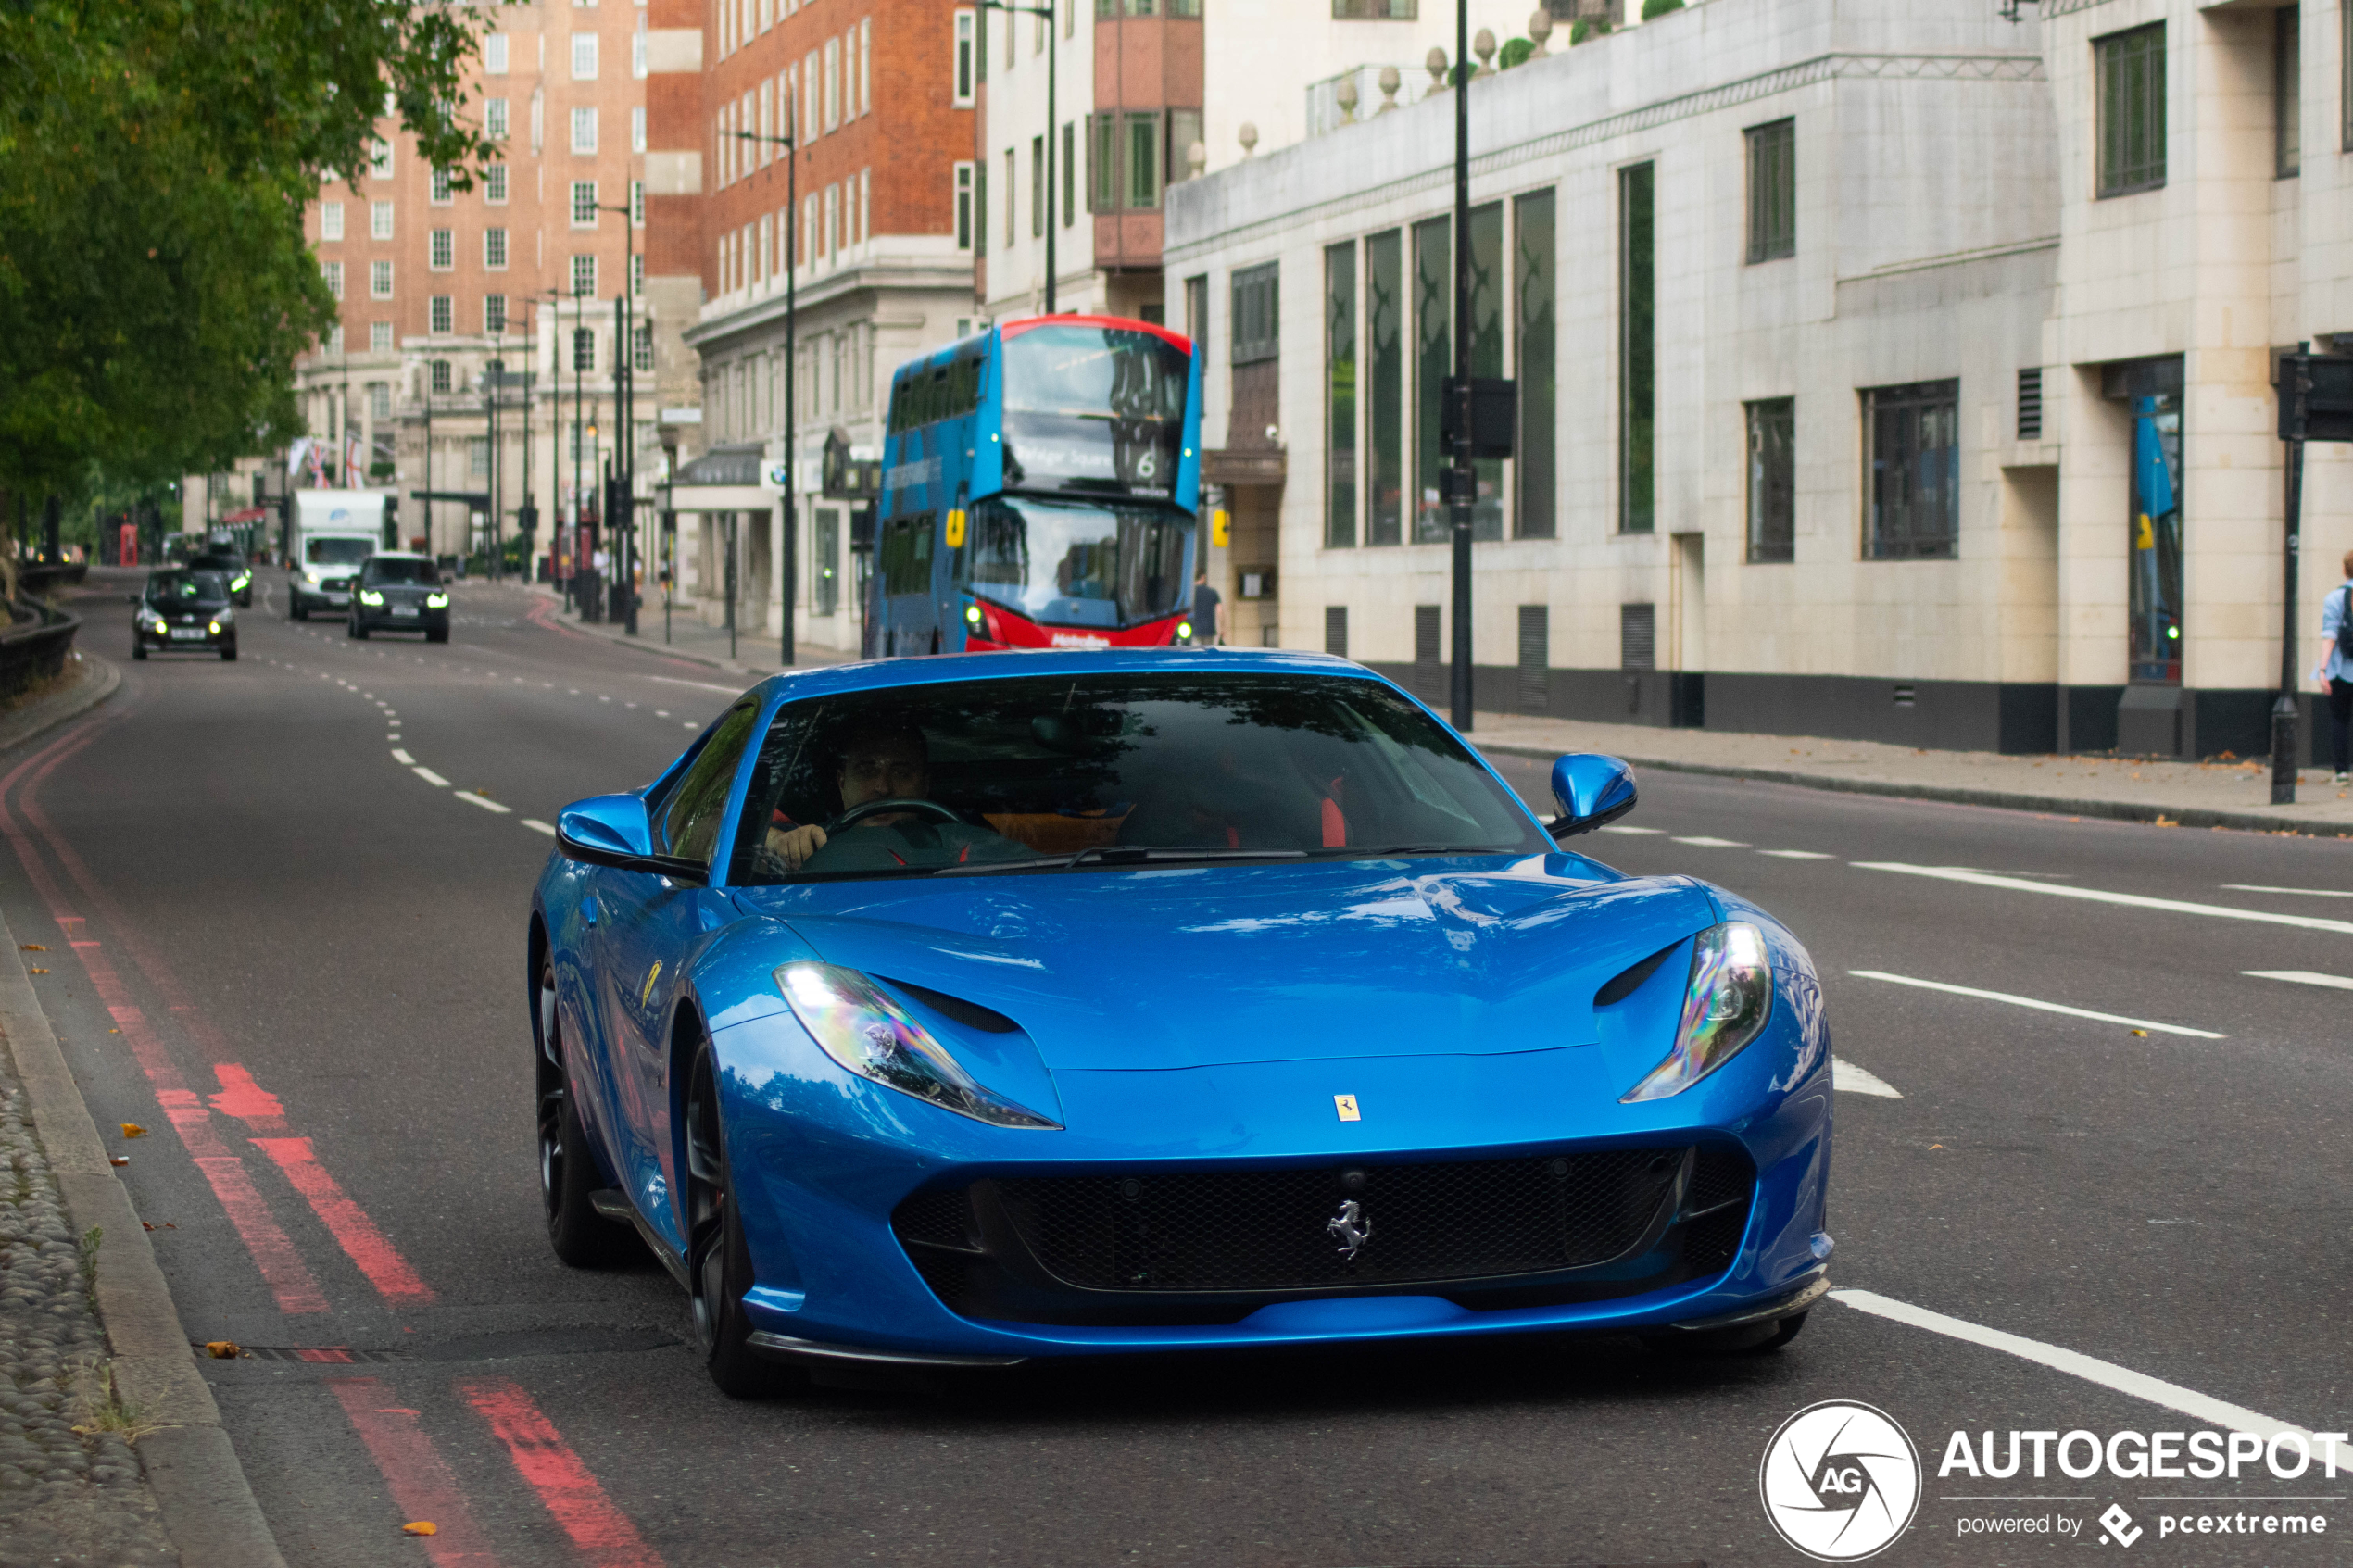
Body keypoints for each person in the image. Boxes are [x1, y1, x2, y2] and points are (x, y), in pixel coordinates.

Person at [764, 721, 1028, 872]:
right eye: (867, 771)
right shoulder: (810, 841)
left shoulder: (971, 838)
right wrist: (778, 843)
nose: (883, 787)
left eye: (901, 773)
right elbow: (737, 839)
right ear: (841, 782)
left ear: (925, 785)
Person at [2313, 548, 2353, 784]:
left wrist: (2322, 670)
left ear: (2344, 570)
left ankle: (2341, 771)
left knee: (2340, 720)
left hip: (2340, 670)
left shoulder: (2334, 598)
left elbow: (2329, 637)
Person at [1191, 568, 1226, 647]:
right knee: (1206, 654)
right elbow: (1220, 611)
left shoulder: (1190, 594)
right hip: (1208, 630)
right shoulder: (1212, 592)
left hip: (1193, 629)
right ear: (1203, 577)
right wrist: (1222, 628)